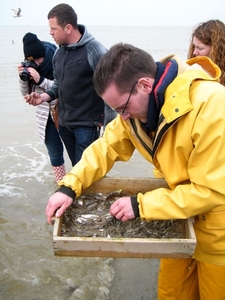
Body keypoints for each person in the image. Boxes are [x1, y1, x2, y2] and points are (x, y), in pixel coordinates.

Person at [43, 42, 225, 299]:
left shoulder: (213, 104)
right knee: (171, 294)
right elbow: (103, 149)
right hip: (176, 221)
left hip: (219, 237)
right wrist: (69, 187)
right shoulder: (135, 115)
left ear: (145, 85)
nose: (122, 118)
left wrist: (141, 206)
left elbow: (211, 191)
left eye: (122, 109)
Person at [24, 3, 115, 166]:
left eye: (53, 28)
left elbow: (111, 90)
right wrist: (43, 97)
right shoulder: (59, 53)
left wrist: (109, 131)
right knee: (77, 172)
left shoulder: (95, 50)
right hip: (65, 125)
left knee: (88, 175)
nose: (50, 32)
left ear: (68, 28)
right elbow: (59, 85)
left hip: (87, 127)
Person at [18, 32, 66, 183]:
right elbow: (26, 93)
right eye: (32, 60)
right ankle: (62, 184)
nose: (37, 63)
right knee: (55, 154)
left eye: (39, 59)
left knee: (77, 150)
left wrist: (41, 80)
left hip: (64, 111)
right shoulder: (30, 66)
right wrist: (23, 79)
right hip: (45, 117)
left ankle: (82, 183)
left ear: (44, 54)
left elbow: (63, 87)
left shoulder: (56, 58)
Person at [188, 19, 225, 86]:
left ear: (216, 50)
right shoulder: (193, 69)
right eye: (194, 46)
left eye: (200, 48)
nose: (194, 52)